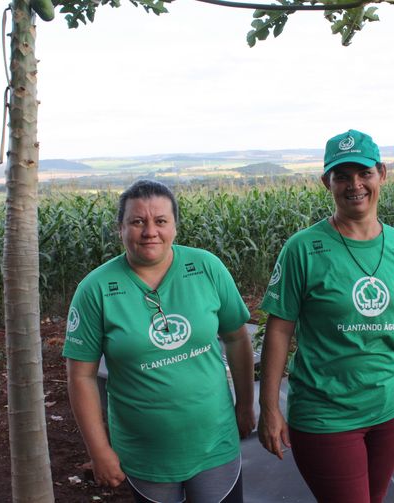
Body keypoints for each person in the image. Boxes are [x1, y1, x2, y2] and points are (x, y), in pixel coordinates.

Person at [257, 129, 394, 503]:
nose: (354, 185)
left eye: (364, 173)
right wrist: (269, 406)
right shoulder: (303, 249)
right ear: (328, 182)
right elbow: (279, 331)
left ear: (382, 174)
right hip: (326, 415)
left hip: (390, 409)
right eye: (342, 176)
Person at [63, 180, 255, 503]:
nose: (150, 231)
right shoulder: (95, 289)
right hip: (144, 453)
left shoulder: (206, 268)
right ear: (120, 228)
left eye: (161, 221)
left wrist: (246, 406)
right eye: (137, 221)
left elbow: (237, 338)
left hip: (215, 441)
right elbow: (80, 375)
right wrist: (99, 450)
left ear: (175, 227)